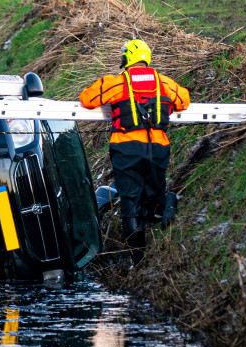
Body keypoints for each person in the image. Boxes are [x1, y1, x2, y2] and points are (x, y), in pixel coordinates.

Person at [79, 38, 190, 260]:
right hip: (158, 146)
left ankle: (137, 259)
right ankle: (163, 204)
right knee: (154, 195)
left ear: (127, 58)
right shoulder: (164, 82)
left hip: (126, 147)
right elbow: (184, 101)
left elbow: (87, 99)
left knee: (131, 201)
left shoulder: (116, 82)